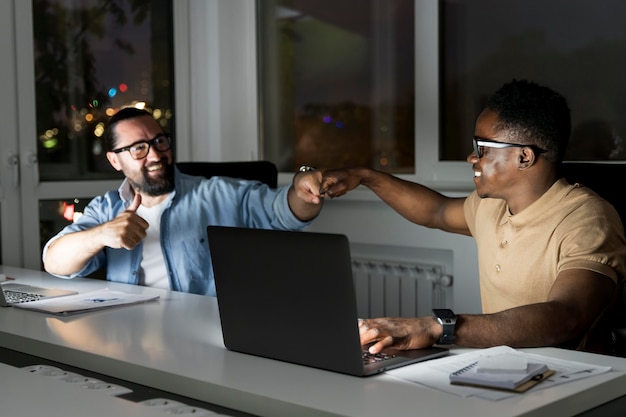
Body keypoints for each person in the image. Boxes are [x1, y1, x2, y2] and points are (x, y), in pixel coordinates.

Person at [320, 79, 626, 354]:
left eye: (481, 148)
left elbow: (566, 316)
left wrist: (438, 327)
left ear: (524, 156)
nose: (471, 158)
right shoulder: (490, 205)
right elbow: (435, 211)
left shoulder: (587, 220)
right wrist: (365, 176)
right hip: (501, 371)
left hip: (573, 382)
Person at [43, 107, 324, 296]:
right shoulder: (107, 209)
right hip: (128, 334)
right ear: (115, 160)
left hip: (206, 337)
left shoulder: (219, 194)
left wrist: (302, 192)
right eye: (139, 148)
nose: (155, 155)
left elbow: (283, 211)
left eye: (160, 141)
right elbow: (54, 262)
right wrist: (102, 234)